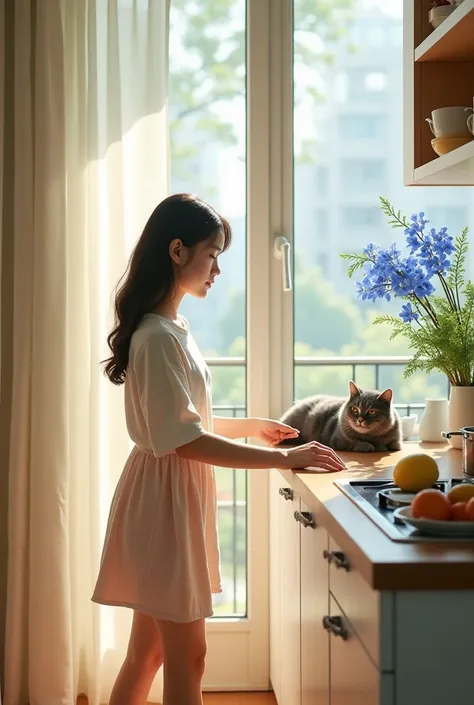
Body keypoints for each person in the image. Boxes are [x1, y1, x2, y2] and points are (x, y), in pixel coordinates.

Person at [91, 193, 345, 705]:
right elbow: (184, 440)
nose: (218, 269)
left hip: (163, 498)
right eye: (213, 255)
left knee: (150, 653)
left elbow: (185, 422)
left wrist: (254, 428)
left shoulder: (171, 329)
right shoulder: (159, 337)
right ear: (178, 250)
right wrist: (283, 458)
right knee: (188, 657)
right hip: (164, 506)